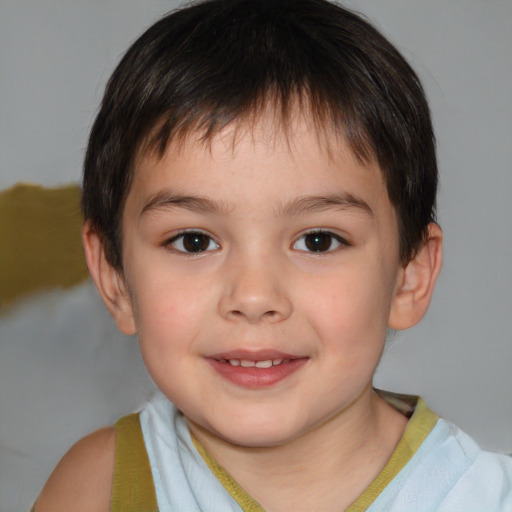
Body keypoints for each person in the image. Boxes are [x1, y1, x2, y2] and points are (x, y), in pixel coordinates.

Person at [34, 0, 512, 510]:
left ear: (410, 275)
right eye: (194, 241)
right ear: (113, 276)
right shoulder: (98, 487)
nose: (255, 297)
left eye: (319, 240)